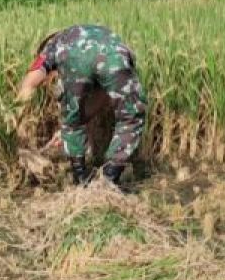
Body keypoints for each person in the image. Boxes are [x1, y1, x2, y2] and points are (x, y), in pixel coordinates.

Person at [17, 25, 147, 188]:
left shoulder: (52, 45)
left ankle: (80, 179)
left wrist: (16, 126)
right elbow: (103, 97)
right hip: (118, 55)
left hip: (75, 57)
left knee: (73, 121)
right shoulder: (97, 33)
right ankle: (109, 179)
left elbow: (30, 82)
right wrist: (69, 126)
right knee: (131, 117)